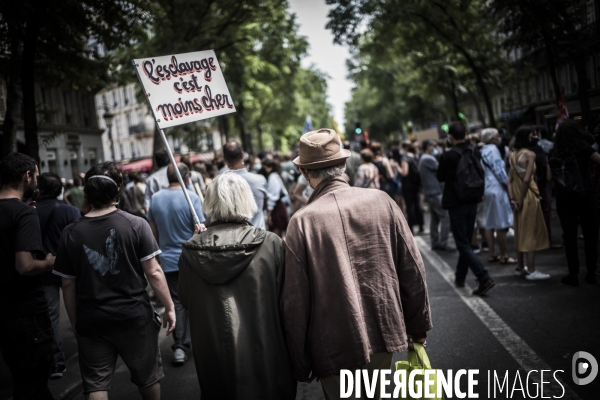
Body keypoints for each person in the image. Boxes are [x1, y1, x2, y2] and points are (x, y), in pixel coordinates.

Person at [283, 129, 432, 400]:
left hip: (331, 341)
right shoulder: (381, 201)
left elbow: (295, 300)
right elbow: (412, 268)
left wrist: (299, 359)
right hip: (383, 327)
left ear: (305, 173)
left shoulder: (302, 222)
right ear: (343, 165)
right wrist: (418, 324)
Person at [53, 162, 176, 400]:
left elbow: (67, 284)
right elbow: (154, 272)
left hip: (92, 320)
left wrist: (78, 323)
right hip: (134, 316)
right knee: (148, 378)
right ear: (118, 190)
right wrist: (169, 307)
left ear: (87, 193)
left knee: (97, 385)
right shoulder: (136, 224)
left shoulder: (70, 233)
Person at [178, 172, 297, 400]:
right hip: (265, 351)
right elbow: (288, 301)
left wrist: (198, 244)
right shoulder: (271, 244)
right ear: (246, 199)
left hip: (214, 356)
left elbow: (185, 297)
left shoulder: (191, 251)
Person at [0, 153, 56, 400]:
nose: (36, 180)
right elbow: (24, 266)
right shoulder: (24, 213)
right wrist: (48, 263)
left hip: (4, 312)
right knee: (32, 384)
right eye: (35, 174)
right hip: (26, 312)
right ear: (27, 176)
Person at [147, 163, 205, 364]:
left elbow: (152, 232)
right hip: (191, 259)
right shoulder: (192, 198)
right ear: (187, 177)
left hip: (168, 260)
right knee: (197, 301)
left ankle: (180, 346)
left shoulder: (155, 199)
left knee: (177, 303)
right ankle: (201, 344)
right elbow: (199, 229)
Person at [437, 122, 496, 295]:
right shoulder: (474, 151)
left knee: (462, 243)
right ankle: (460, 276)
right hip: (473, 200)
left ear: (450, 137)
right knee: (466, 242)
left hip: (456, 203)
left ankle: (483, 277)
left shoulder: (448, 156)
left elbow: (440, 177)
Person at [36, 173, 81, 379]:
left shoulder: (31, 212)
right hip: (70, 269)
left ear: (39, 190)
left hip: (44, 270)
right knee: (78, 309)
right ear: (59, 190)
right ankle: (89, 351)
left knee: (51, 317)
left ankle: (57, 363)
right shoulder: (70, 211)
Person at [551, 120, 600, 286]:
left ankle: (573, 274)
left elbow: (550, 177)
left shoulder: (555, 152)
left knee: (569, 236)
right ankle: (592, 273)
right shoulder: (583, 149)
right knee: (591, 235)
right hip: (587, 195)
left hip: (565, 198)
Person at [507, 126, 550, 280]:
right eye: (532, 134)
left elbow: (509, 181)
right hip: (529, 197)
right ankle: (531, 270)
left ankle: (520, 266)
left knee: (519, 231)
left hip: (517, 198)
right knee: (530, 233)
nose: (535, 136)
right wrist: (520, 200)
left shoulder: (513, 155)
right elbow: (527, 180)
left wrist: (513, 199)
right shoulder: (530, 154)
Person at [479, 129, 516, 264]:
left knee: (489, 222)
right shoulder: (493, 150)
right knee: (500, 223)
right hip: (497, 188)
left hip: (487, 187)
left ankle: (492, 253)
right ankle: (504, 255)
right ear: (492, 137)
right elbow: (499, 169)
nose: (499, 137)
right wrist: (508, 185)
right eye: (496, 135)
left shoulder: (481, 150)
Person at [222, 141, 268, 229]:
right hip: (259, 236)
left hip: (235, 239)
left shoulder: (220, 183)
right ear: (242, 154)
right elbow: (264, 206)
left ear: (225, 159)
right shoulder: (260, 180)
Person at [419, 139, 453, 251]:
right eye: (433, 146)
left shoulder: (423, 158)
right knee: (445, 217)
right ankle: (443, 243)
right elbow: (441, 169)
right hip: (435, 192)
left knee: (435, 219)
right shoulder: (428, 158)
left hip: (430, 192)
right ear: (428, 146)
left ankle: (435, 242)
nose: (435, 148)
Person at [401, 141, 424, 234]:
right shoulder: (416, 156)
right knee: (417, 205)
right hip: (416, 184)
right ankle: (421, 225)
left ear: (404, 148)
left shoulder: (405, 158)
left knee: (409, 206)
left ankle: (411, 227)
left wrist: (397, 167)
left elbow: (404, 172)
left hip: (408, 185)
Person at [263, 158, 290, 237]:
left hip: (276, 208)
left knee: (276, 236)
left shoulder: (273, 177)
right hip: (278, 207)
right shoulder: (276, 176)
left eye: (265, 168)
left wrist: (269, 214)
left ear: (270, 167)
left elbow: (273, 196)